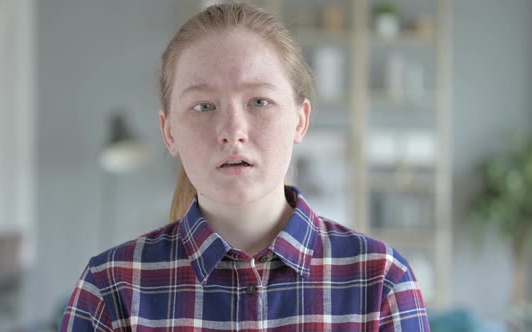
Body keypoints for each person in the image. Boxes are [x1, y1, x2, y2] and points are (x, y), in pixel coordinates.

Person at [60, 2, 430, 331]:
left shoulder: (382, 282)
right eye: (204, 106)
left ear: (300, 121)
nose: (232, 132)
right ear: (168, 131)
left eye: (259, 101)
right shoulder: (109, 290)